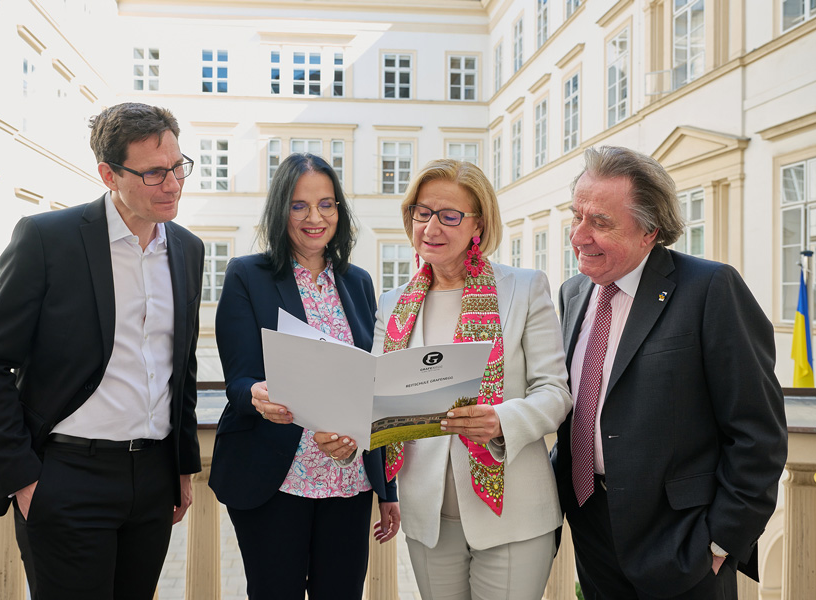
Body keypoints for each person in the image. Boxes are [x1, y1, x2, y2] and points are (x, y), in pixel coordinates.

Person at [0, 102, 204, 600]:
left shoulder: (187, 248)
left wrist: (182, 464)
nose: (174, 184)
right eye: (155, 172)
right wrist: (24, 480)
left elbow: (179, 364)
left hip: (153, 480)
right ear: (108, 174)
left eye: (179, 166)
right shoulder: (47, 239)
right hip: (66, 479)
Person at [552, 146, 787, 600]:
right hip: (592, 530)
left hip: (682, 543)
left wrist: (721, 541)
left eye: (599, 222)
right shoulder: (574, 293)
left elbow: (758, 431)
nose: (578, 235)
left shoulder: (710, 288)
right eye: (575, 215)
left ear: (649, 231)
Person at [367, 158, 572, 599]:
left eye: (449, 216)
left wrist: (502, 420)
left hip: (514, 516)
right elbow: (374, 398)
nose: (431, 228)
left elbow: (555, 391)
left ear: (478, 224)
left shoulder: (524, 287)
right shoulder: (393, 303)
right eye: (422, 213)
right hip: (428, 519)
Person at [209, 153, 400, 600]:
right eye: (299, 206)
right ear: (281, 210)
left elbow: (371, 383)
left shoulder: (358, 282)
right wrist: (256, 393)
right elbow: (237, 379)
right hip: (276, 480)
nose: (315, 217)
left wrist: (386, 486)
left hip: (348, 480)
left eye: (327, 204)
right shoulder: (247, 275)